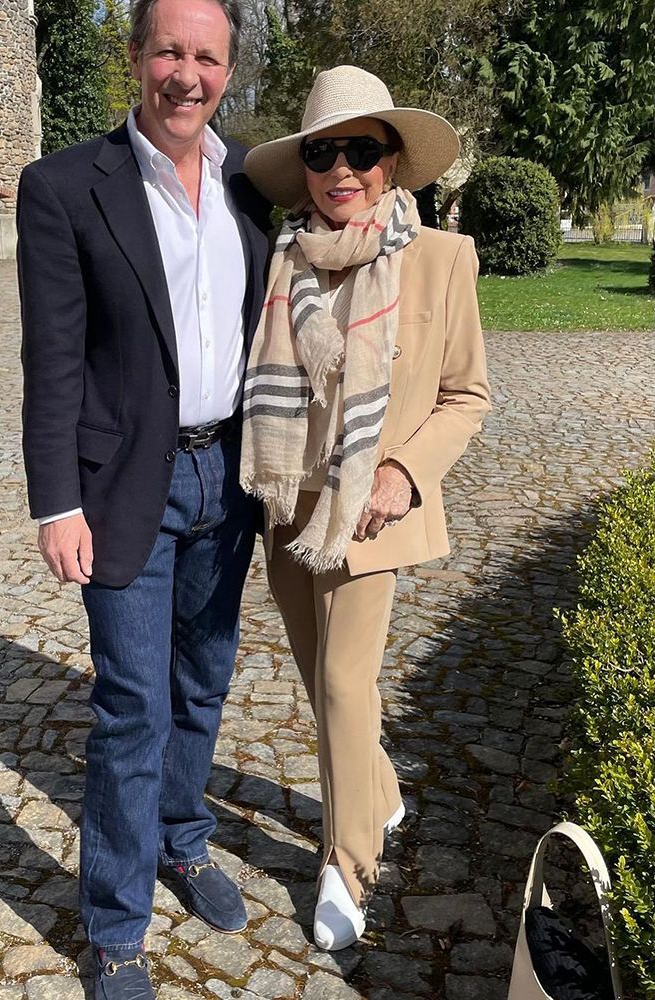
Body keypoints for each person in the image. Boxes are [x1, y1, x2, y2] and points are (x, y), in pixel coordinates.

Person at [16, 0, 271, 995]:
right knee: (131, 707)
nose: (186, 73)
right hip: (126, 481)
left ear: (225, 71)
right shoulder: (63, 186)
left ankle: (183, 836)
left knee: (203, 679)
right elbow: (51, 359)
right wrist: (55, 503)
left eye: (206, 56)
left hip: (230, 475)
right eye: (169, 50)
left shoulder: (255, 180)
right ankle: (117, 928)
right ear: (135, 58)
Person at [241, 65, 491, 951]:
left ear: (391, 160)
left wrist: (404, 473)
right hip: (291, 509)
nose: (341, 168)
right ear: (304, 166)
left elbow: (466, 395)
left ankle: (347, 864)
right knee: (322, 686)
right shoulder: (281, 258)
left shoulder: (439, 260)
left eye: (360, 150)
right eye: (322, 152)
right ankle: (379, 796)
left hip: (371, 511)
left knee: (348, 683)